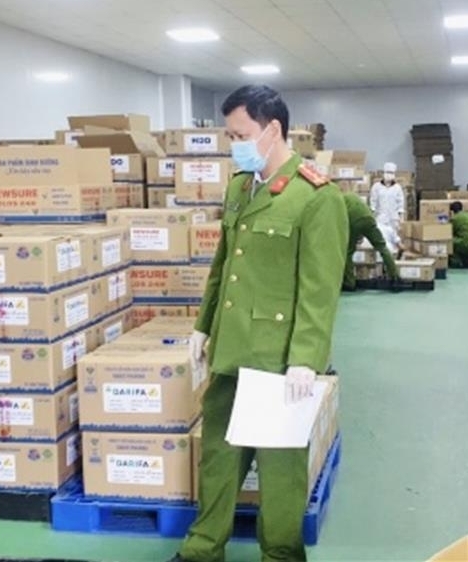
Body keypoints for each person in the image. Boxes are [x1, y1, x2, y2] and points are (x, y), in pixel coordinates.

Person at [175, 85, 348, 562]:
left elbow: (320, 289)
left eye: (241, 135)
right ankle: (202, 550)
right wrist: (204, 325)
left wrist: (306, 358)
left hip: (278, 361)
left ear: (273, 130)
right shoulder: (240, 187)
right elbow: (224, 266)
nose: (235, 145)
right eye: (230, 136)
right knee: (218, 458)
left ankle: (282, 555)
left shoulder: (315, 197)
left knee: (280, 471)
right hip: (232, 351)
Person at [342, 192, 400, 290]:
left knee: (348, 252)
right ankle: (395, 278)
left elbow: (341, 221)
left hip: (353, 222)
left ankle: (350, 283)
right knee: (382, 247)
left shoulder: (338, 201)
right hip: (369, 219)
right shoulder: (353, 196)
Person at [369, 162, 405, 233]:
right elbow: (373, 202)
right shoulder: (376, 187)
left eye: (391, 173)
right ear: (384, 173)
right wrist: (372, 216)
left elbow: (400, 203)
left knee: (393, 237)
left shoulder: (397, 188)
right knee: (382, 236)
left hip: (393, 219)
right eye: (387, 172)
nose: (389, 175)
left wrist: (401, 218)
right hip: (380, 218)